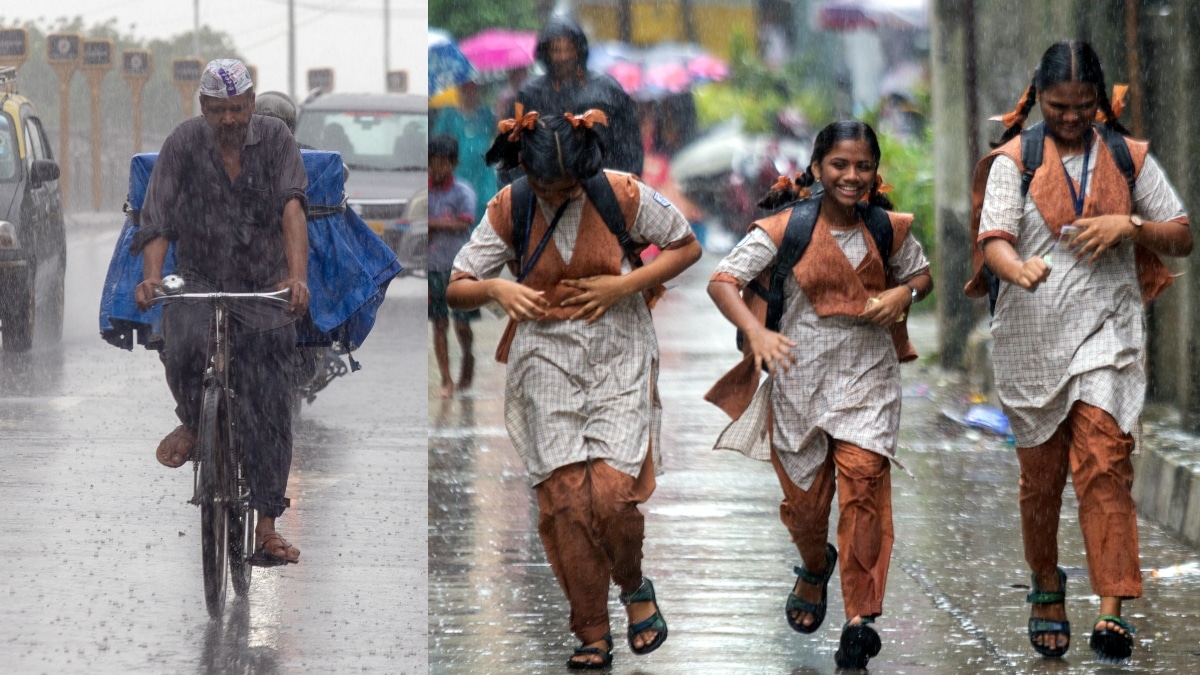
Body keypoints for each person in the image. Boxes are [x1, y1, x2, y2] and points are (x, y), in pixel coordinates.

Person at [446, 108, 701, 669]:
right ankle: (590, 629)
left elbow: (686, 246)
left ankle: (633, 586)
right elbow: (456, 286)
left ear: (587, 170)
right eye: (544, 186)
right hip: (543, 357)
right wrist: (497, 290)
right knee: (564, 498)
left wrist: (623, 285)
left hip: (619, 349)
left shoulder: (623, 194)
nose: (556, 197)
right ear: (524, 171)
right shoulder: (509, 206)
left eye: (567, 187)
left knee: (610, 495)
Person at [964, 40, 1192, 662]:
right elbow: (993, 241)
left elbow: (1181, 235)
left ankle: (1113, 608)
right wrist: (1017, 270)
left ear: (1100, 101)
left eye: (1083, 106)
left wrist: (1130, 225)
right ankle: (1045, 583)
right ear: (1037, 99)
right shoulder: (1016, 160)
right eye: (1058, 106)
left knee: (1104, 463)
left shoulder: (1128, 158)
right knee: (1040, 484)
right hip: (1032, 340)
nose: (1070, 117)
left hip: (1108, 336)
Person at [706, 121, 932, 670]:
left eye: (862, 166)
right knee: (807, 510)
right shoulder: (785, 230)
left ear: (875, 172)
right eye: (839, 165)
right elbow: (722, 280)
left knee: (864, 490)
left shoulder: (889, 229)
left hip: (869, 382)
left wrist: (903, 293)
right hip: (798, 385)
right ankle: (814, 564)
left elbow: (921, 276)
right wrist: (757, 334)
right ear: (816, 170)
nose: (851, 176)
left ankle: (860, 619)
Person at [132, 58, 310, 566]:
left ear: (251, 104)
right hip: (200, 277)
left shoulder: (275, 140)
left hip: (263, 282)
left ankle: (268, 526)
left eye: (237, 108)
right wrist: (152, 277)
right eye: (218, 110)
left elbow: (292, 210)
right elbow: (158, 217)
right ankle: (193, 421)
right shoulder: (184, 143)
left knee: (271, 394)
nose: (229, 119)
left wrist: (296, 277)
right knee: (181, 343)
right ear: (203, 107)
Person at [512, 13, 643, 177]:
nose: (563, 56)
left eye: (569, 49)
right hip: (546, 191)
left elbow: (629, 146)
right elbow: (515, 151)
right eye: (556, 50)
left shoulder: (607, 91)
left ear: (579, 49)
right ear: (546, 53)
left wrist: (621, 188)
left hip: (600, 188)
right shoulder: (531, 94)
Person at [427, 135, 479, 398]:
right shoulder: (425, 193)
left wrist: (432, 224)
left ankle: (468, 357)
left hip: (460, 267)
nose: (437, 169)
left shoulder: (462, 192)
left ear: (454, 164)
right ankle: (446, 379)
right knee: (438, 323)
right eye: (432, 163)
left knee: (461, 324)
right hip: (433, 267)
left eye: (443, 163)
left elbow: (464, 223)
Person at [433, 79, 497, 224]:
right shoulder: (449, 115)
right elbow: (438, 144)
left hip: (483, 177)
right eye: (466, 87)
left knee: (485, 213)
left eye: (474, 88)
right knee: (459, 211)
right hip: (458, 173)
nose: (470, 92)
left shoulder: (487, 114)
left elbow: (501, 133)